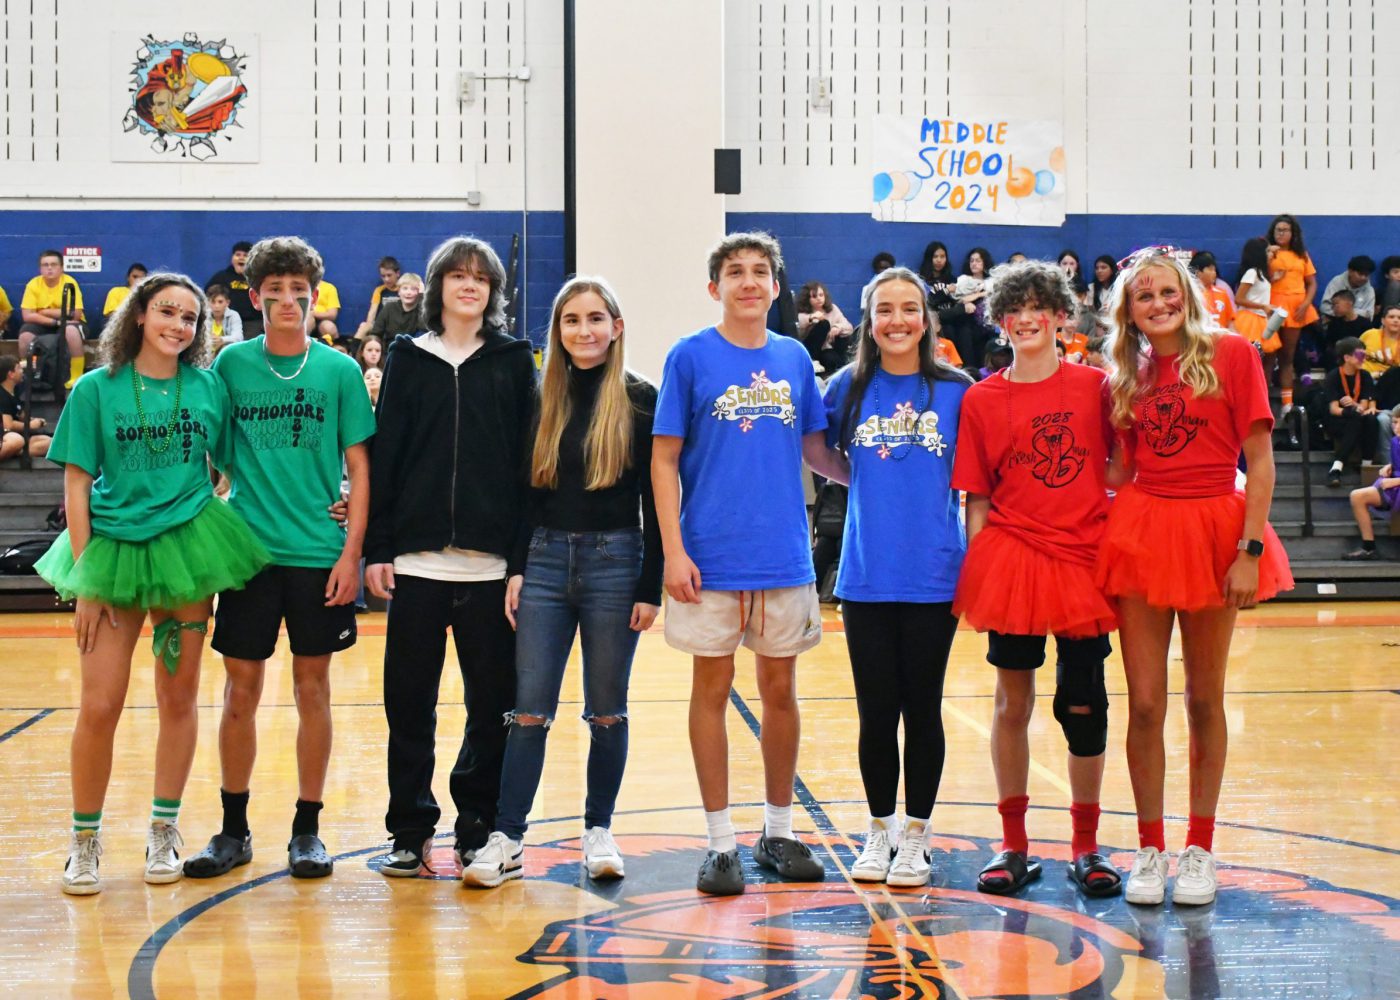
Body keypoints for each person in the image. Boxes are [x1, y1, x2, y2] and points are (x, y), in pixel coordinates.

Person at [33, 273, 270, 894]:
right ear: (139, 315)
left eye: (190, 318)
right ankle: (84, 841)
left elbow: (233, 464)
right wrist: (85, 580)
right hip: (111, 554)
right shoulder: (95, 389)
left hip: (188, 551)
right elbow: (77, 484)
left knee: (179, 698)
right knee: (101, 704)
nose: (179, 325)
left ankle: (163, 830)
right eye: (167, 311)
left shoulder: (207, 387)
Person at [1097, 251, 1293, 908]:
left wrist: (1249, 548)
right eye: (1143, 296)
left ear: (1188, 292)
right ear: (1129, 310)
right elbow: (1121, 473)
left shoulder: (1234, 353)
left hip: (1216, 531)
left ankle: (1200, 847)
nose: (1157, 303)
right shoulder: (1125, 374)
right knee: (1145, 702)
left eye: (1166, 291)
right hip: (1144, 530)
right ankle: (1149, 849)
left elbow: (1260, 464)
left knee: (1205, 699)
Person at [652, 232, 844, 896]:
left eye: (760, 271)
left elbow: (816, 450)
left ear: (775, 286)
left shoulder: (793, 357)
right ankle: (719, 843)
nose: (748, 282)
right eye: (735, 272)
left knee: (782, 694)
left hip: (783, 557)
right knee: (710, 693)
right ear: (716, 288)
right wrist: (673, 550)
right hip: (708, 559)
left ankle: (779, 830)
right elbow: (663, 459)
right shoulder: (690, 356)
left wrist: (878, 477)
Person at [184, 237, 376, 881]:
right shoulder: (232, 365)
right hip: (248, 554)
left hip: (320, 554)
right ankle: (233, 829)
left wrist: (354, 550)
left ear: (314, 295)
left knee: (312, 688)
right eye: (276, 289)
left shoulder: (340, 371)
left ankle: (308, 830)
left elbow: (359, 465)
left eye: (300, 290)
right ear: (256, 294)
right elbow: (206, 448)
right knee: (240, 692)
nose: (288, 300)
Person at [461, 276, 660, 887]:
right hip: (545, 562)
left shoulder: (640, 399)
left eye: (596, 318)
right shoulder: (539, 397)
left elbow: (656, 499)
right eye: (571, 320)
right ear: (557, 330)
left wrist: (649, 586)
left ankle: (599, 830)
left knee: (606, 711)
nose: (584, 331)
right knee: (528, 712)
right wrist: (519, 568)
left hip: (615, 563)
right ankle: (508, 837)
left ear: (616, 327)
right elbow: (527, 495)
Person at [364, 236, 536, 880]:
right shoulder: (409, 358)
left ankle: (475, 826)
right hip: (415, 567)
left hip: (492, 571)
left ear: (492, 291)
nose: (470, 286)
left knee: (491, 706)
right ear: (437, 286)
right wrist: (379, 546)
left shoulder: (515, 361)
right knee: (409, 705)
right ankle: (409, 830)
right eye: (458, 276)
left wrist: (520, 561)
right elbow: (388, 456)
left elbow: (528, 469)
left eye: (481, 278)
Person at [951, 259, 1122, 901]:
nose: (1025, 317)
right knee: (1010, 702)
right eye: (1012, 309)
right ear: (999, 322)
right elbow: (977, 498)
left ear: (1060, 317)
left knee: (1084, 705)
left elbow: (1122, 467)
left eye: (1037, 306)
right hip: (1015, 559)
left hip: (1084, 561)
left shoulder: (1096, 387)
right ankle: (1013, 845)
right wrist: (984, 567)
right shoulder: (981, 398)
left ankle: (1086, 847)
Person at [819, 268, 970, 887]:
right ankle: (879, 831)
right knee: (876, 711)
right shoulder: (847, 388)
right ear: (869, 320)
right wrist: (864, 482)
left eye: (910, 308)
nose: (899, 320)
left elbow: (975, 472)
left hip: (935, 572)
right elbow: (814, 449)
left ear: (927, 319)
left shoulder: (959, 390)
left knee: (923, 707)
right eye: (885, 310)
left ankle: (917, 837)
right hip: (866, 574)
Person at [1265, 214, 1319, 417]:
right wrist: (1270, 268)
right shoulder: (1268, 253)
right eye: (1278, 230)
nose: (1281, 233)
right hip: (1272, 306)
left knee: (1287, 357)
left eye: (1285, 230)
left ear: (1293, 233)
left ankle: (1288, 405)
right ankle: (1264, 401)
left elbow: (1312, 282)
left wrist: (1306, 304)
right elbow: (1257, 280)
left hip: (1296, 308)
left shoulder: (1302, 255)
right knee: (1268, 356)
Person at [18, 248, 88, 390]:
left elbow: (75, 314)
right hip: (49, 323)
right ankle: (28, 373)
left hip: (72, 324)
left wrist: (45, 311)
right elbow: (27, 316)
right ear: (40, 269)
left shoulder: (69, 283)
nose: (49, 268)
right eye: (45, 265)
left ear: (61, 268)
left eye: (54, 264)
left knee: (70, 331)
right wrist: (55, 320)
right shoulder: (33, 284)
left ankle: (76, 376)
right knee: (25, 336)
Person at [1321, 338, 1380, 487]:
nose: (1363, 359)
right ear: (1347, 358)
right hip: (1337, 419)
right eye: (1360, 355)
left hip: (1356, 416)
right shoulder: (1333, 376)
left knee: (1371, 419)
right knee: (1355, 418)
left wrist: (1353, 404)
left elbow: (1364, 405)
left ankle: (1364, 465)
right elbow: (1334, 409)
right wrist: (1352, 410)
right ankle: (1339, 467)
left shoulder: (1365, 375)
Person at [1342, 434, 1399, 560]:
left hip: (1397, 484)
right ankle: (1369, 548)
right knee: (1357, 496)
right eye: (1394, 422)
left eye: (1398, 422)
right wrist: (1390, 465)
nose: (1395, 427)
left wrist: (1396, 481)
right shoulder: (1395, 441)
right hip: (1394, 486)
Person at [795, 280, 854, 373]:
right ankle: (811, 360)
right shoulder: (803, 312)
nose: (819, 299)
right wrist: (811, 318)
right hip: (808, 348)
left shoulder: (832, 309)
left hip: (825, 348)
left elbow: (849, 327)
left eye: (821, 295)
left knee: (833, 360)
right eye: (814, 296)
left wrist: (837, 328)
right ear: (808, 299)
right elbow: (797, 325)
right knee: (824, 324)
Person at [0, 355, 52, 459]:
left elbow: (20, 414)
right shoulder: (2, 395)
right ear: (11, 374)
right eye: (18, 368)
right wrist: (30, 425)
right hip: (5, 436)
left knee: (49, 442)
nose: (22, 371)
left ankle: (13, 451)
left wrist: (33, 420)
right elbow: (8, 425)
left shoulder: (13, 392)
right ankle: (12, 449)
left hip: (17, 437)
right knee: (16, 440)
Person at [206, 241, 260, 337]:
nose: (241, 258)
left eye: (245, 255)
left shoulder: (257, 277)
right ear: (232, 258)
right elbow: (207, 296)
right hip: (227, 320)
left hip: (252, 322)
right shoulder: (221, 277)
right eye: (237, 254)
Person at [1361, 304, 1400, 412]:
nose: (1396, 320)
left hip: (1389, 387)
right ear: (1383, 320)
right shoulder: (1370, 334)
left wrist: (1380, 375)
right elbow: (1355, 357)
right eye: (1391, 317)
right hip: (1365, 380)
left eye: (1399, 318)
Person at [368, 272, 424, 339]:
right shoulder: (389, 308)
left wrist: (421, 297)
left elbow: (424, 329)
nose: (408, 292)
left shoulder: (421, 310)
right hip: (389, 348)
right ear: (399, 291)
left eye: (413, 289)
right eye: (405, 288)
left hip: (412, 348)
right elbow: (376, 333)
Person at [357, 256, 403, 337]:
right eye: (383, 276)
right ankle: (354, 349)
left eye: (389, 275)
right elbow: (372, 311)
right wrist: (368, 326)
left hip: (399, 324)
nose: (386, 279)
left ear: (397, 273)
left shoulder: (404, 290)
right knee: (363, 326)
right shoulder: (379, 290)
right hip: (381, 325)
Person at [1320, 255, 1377, 321]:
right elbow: (1324, 307)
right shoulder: (1337, 282)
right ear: (1350, 271)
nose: (1363, 278)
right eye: (1360, 274)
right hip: (1334, 322)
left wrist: (1345, 311)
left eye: (1366, 275)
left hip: (1358, 326)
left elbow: (1369, 315)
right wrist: (1356, 313)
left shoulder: (1370, 290)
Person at [1190, 252, 1235, 332]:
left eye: (1214, 270)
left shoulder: (1222, 293)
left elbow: (1230, 322)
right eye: (1210, 269)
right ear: (1198, 272)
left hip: (1221, 340)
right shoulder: (1190, 295)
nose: (1214, 273)